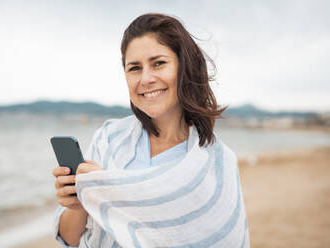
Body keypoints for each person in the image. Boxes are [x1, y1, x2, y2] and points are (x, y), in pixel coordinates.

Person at [52, 13, 250, 248]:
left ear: (184, 66)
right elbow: (70, 239)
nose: (146, 79)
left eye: (158, 63)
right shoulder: (108, 138)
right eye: (134, 68)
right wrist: (82, 204)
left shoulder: (218, 160)